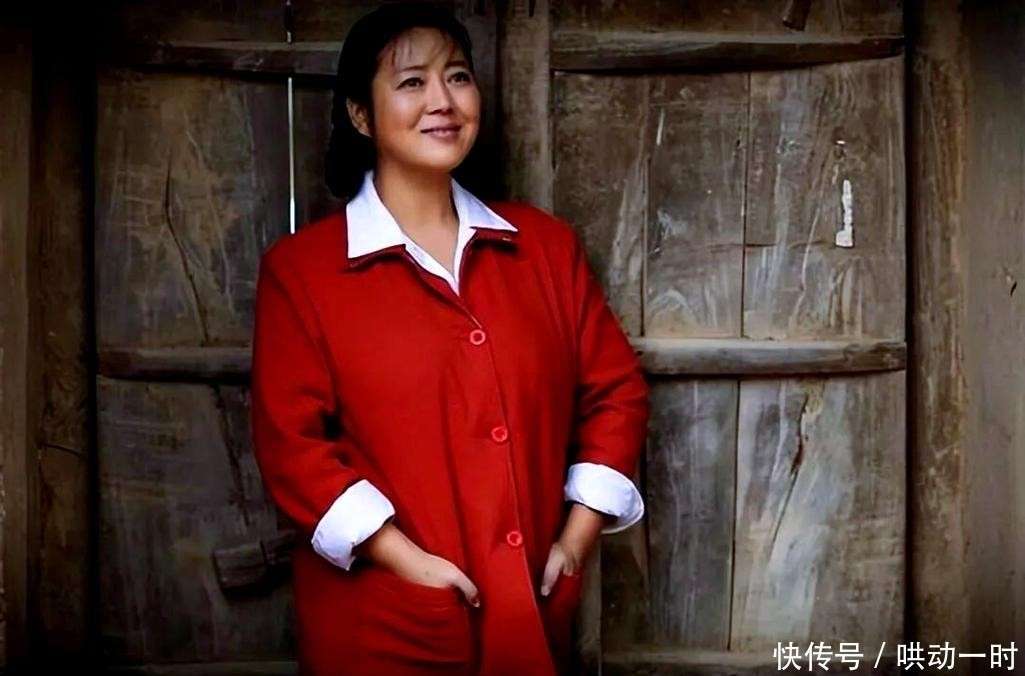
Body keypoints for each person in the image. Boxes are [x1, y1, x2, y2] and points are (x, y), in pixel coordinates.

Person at [250, 4, 650, 674]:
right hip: (383, 621)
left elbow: (616, 390)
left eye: (457, 76)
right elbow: (293, 446)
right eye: (412, 82)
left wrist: (576, 538)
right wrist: (405, 561)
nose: (442, 100)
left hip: (528, 610)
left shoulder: (543, 249)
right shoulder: (304, 272)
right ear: (360, 115)